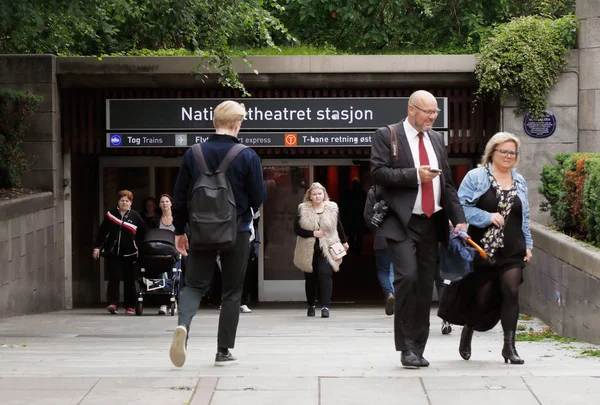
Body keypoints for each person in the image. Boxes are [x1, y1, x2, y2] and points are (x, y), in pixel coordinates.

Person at [370, 90, 467, 368]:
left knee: (425, 286)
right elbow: (378, 174)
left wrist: (458, 217)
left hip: (431, 222)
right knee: (407, 277)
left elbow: (446, 183)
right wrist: (415, 175)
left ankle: (418, 348)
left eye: (435, 112)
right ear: (411, 110)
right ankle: (406, 347)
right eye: (427, 112)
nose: (432, 117)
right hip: (400, 222)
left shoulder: (437, 139)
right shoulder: (387, 135)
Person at [169, 100, 266, 368]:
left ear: (214, 122)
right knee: (232, 292)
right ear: (238, 124)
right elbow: (258, 197)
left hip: (200, 232)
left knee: (193, 285)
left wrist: (179, 230)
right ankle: (223, 351)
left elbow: (179, 197)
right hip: (236, 231)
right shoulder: (247, 155)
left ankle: (184, 326)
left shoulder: (193, 154)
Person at [449, 132, 532, 365]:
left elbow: (523, 217)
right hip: (483, 248)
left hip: (513, 247)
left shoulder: (520, 180)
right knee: (482, 298)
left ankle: (509, 347)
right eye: (503, 151)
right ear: (492, 152)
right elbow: (460, 208)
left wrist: (529, 244)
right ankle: (469, 328)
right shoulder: (476, 177)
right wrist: (486, 216)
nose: (508, 156)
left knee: (511, 291)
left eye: (512, 152)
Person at [293, 182, 349, 318]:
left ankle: (325, 307)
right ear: (310, 196)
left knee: (325, 275)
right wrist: (313, 233)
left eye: (320, 193)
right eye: (314, 194)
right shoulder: (303, 208)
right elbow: (297, 229)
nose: (317, 196)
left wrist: (344, 241)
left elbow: (338, 225)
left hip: (327, 247)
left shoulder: (332, 208)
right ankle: (311, 305)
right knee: (311, 278)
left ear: (324, 194)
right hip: (308, 249)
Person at [93, 190, 146, 315]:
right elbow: (102, 232)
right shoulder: (110, 215)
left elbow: (142, 234)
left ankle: (130, 306)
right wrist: (97, 247)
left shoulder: (135, 216)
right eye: (122, 200)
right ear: (118, 201)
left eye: (127, 201)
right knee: (114, 278)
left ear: (131, 203)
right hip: (112, 253)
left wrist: (138, 248)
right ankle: (113, 304)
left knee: (129, 280)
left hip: (130, 254)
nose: (124, 203)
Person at [363, 186, 395, 316]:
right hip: (399, 237)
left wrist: (375, 229)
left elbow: (367, 215)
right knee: (397, 269)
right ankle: (395, 295)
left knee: (383, 270)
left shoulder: (373, 191)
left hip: (381, 237)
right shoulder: (400, 188)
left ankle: (389, 293)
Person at [156, 193, 175, 315]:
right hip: (160, 253)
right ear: (159, 205)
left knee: (175, 277)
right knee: (161, 277)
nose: (165, 204)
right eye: (162, 202)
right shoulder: (155, 220)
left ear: (171, 203)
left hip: (175, 252)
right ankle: (163, 304)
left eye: (167, 201)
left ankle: (174, 301)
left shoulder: (177, 219)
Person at [240, 208, 260, 313]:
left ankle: (243, 302)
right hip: (229, 238)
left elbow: (256, 220)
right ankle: (227, 301)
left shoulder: (253, 206)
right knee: (230, 272)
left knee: (247, 271)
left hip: (248, 240)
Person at [341, 178, 367, 255]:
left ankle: (353, 249)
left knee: (351, 235)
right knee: (359, 236)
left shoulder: (348, 193)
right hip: (359, 217)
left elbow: (343, 205)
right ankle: (357, 250)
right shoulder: (362, 193)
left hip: (351, 217)